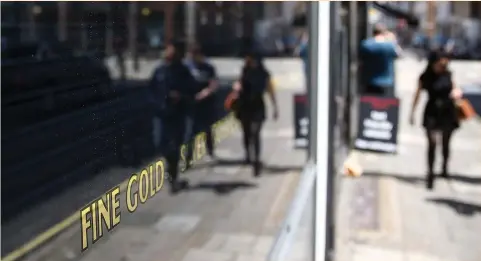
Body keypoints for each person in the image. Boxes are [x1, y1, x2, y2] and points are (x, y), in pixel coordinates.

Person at [409, 50, 463, 190]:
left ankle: (444, 168)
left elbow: (455, 88)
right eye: (440, 62)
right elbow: (417, 94)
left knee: (446, 142)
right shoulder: (425, 77)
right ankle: (430, 173)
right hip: (432, 111)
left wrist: (457, 93)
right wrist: (412, 112)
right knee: (432, 143)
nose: (443, 64)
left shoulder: (448, 74)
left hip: (447, 111)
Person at [150, 40, 196, 194]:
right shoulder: (159, 70)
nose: (169, 54)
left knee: (175, 146)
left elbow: (192, 91)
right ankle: (171, 171)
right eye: (167, 50)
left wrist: (181, 96)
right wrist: (155, 103)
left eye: (172, 52)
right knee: (159, 143)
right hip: (161, 114)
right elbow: (151, 90)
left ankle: (173, 178)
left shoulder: (183, 72)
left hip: (177, 114)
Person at [230, 52, 279, 177]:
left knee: (255, 133)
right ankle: (248, 155)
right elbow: (238, 84)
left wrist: (275, 107)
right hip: (245, 106)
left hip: (258, 105)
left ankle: (256, 161)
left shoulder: (264, 73)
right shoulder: (244, 70)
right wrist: (236, 87)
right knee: (246, 133)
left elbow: (270, 89)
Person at [184, 44, 218, 168]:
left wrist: (205, 93)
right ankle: (188, 158)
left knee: (207, 129)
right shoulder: (186, 68)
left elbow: (213, 84)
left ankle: (210, 152)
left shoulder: (208, 68)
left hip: (206, 104)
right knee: (190, 132)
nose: (192, 58)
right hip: (191, 104)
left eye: (195, 56)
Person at [360, 24, 402, 97]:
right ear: (384, 33)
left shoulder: (366, 44)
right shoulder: (390, 45)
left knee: (370, 106)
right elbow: (399, 54)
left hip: (370, 82)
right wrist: (393, 40)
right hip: (387, 82)